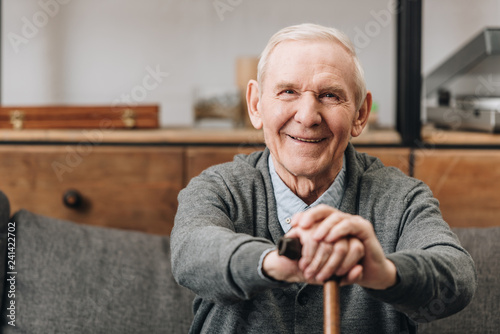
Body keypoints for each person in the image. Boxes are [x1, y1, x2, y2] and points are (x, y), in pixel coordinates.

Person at [171, 23, 476, 333]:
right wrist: (276, 262)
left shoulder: (402, 198)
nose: (307, 116)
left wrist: (382, 272)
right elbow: (190, 254)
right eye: (288, 92)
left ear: (359, 114)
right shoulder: (218, 188)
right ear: (255, 105)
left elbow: (457, 277)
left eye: (329, 95)